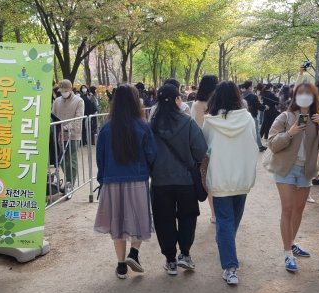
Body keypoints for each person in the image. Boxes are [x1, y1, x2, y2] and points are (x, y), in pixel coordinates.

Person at [268, 82, 319, 272]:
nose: (304, 96)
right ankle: (287, 252)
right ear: (295, 95)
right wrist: (290, 133)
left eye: (308, 93)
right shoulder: (285, 116)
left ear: (314, 97)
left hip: (306, 171)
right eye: (300, 92)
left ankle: (291, 241)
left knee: (298, 209)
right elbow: (272, 144)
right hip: (286, 169)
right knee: (287, 209)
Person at [94, 85, 157, 279]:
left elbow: (100, 157)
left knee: (117, 223)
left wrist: (102, 179)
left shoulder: (106, 128)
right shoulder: (143, 125)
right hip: (137, 180)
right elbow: (151, 154)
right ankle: (134, 253)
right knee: (138, 218)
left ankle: (121, 266)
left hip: (112, 181)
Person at [202, 81, 259, 285]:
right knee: (233, 219)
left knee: (225, 221)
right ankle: (230, 261)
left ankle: (229, 264)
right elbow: (255, 143)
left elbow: (204, 146)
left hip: (220, 177)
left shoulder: (210, 121)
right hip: (242, 177)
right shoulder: (248, 118)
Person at [150, 84, 207, 275]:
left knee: (163, 220)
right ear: (176, 100)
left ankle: (170, 260)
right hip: (185, 181)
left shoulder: (152, 126)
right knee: (188, 217)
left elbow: (147, 153)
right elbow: (200, 149)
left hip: (159, 181)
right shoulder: (188, 122)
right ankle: (185, 253)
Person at [191, 74, 219, 224]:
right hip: (217, 146)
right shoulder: (217, 104)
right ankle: (217, 213)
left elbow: (197, 128)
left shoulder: (197, 105)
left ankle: (214, 214)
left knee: (209, 180)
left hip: (205, 148)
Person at [52, 80, 85, 187]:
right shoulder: (57, 101)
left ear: (70, 89)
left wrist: (66, 127)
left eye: (65, 90)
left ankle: (70, 182)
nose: (63, 92)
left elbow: (78, 118)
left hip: (73, 135)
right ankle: (68, 178)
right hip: (59, 135)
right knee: (61, 159)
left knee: (71, 159)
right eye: (61, 91)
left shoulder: (79, 101)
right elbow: (53, 116)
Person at [240, 80, 267, 152]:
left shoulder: (241, 95)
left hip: (242, 116)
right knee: (256, 131)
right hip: (252, 116)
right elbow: (258, 106)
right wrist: (265, 107)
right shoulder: (253, 96)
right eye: (251, 86)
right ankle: (260, 146)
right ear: (249, 87)